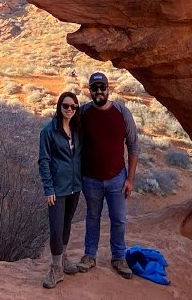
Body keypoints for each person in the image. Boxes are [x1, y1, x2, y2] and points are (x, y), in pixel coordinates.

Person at [77, 71, 139, 279]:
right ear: (90, 91)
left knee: (119, 219)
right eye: (94, 88)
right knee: (92, 217)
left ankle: (118, 257)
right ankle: (89, 255)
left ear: (108, 88)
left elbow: (133, 146)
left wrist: (130, 179)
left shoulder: (122, 113)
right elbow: (69, 137)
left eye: (102, 87)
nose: (99, 91)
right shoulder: (83, 113)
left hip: (117, 178)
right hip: (90, 178)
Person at [38, 91, 86, 288]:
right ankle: (56, 267)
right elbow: (44, 161)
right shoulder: (48, 131)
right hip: (57, 188)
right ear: (59, 107)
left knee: (67, 224)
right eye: (65, 106)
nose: (69, 109)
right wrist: (48, 188)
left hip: (75, 186)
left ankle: (63, 260)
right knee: (56, 228)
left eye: (73, 107)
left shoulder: (77, 130)